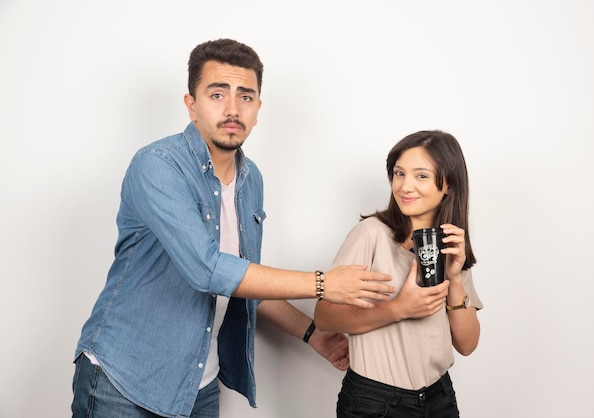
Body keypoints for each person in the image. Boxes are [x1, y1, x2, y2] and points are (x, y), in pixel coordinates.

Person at [71, 38, 395, 418]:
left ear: (258, 109)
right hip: (125, 381)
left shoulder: (250, 179)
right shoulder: (157, 165)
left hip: (197, 386)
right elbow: (208, 269)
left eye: (245, 96)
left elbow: (242, 277)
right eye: (217, 94)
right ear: (191, 105)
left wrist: (312, 333)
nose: (232, 109)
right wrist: (324, 283)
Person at [314, 130, 483, 417]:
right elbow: (324, 316)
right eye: (399, 173)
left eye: (421, 176)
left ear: (449, 185)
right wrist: (398, 309)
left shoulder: (451, 246)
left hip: (439, 398)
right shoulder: (371, 235)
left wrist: (454, 277)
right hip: (373, 402)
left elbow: (466, 344)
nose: (405, 186)